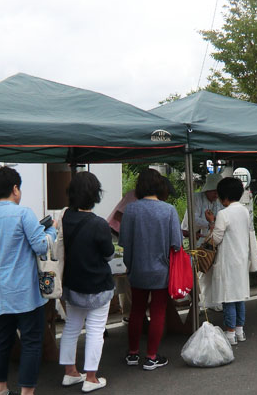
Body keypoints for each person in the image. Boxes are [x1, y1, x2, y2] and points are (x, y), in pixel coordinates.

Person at [0, 166, 55, 395]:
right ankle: (26, 392)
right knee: (31, 342)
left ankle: (0, 390)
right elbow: (40, 245)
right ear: (15, 189)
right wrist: (52, 233)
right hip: (24, 293)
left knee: (2, 340)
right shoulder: (23, 213)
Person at [119, 168, 182, 371]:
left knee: (136, 311)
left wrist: (130, 266)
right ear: (159, 186)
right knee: (157, 312)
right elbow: (177, 244)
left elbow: (124, 243)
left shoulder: (130, 210)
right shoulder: (169, 210)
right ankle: (152, 357)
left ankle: (132, 353)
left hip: (137, 269)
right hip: (161, 270)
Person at [59, 172, 114, 393]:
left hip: (72, 285)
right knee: (95, 330)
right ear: (95, 194)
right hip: (97, 286)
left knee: (71, 327)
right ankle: (91, 377)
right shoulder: (99, 224)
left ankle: (70, 373)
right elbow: (109, 254)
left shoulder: (65, 218)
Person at [204, 177, 252, 345]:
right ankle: (240, 331)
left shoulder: (224, 214)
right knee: (239, 296)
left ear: (224, 196)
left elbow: (216, 239)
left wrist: (211, 222)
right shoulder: (244, 211)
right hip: (241, 258)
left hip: (228, 260)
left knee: (228, 297)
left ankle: (230, 334)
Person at [181, 173, 224, 244]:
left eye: (218, 192)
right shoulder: (196, 198)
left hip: (207, 239)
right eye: (214, 191)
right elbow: (192, 219)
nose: (216, 194)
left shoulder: (218, 201)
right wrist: (209, 223)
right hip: (190, 236)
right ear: (208, 189)